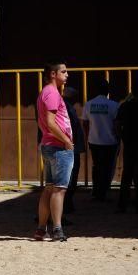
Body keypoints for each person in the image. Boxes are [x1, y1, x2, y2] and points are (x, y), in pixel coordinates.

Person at [36, 61, 73, 242]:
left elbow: (44, 122)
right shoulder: (52, 93)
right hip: (58, 147)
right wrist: (66, 140)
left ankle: (42, 229)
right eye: (63, 72)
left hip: (49, 144)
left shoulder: (45, 92)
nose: (67, 75)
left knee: (49, 189)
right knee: (59, 190)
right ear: (53, 74)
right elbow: (51, 122)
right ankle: (57, 229)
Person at [115, 81, 138, 213]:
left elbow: (117, 123)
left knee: (127, 173)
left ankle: (122, 204)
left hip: (129, 141)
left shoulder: (125, 105)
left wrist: (121, 136)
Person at [82, 79, 120, 202]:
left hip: (94, 141)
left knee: (97, 166)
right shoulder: (114, 105)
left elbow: (85, 124)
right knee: (108, 167)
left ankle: (97, 191)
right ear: (108, 90)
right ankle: (103, 191)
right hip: (110, 141)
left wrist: (88, 136)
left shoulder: (88, 104)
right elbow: (116, 125)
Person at [62, 86, 86, 215]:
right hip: (70, 147)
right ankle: (66, 205)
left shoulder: (67, 106)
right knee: (70, 178)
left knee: (70, 177)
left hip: (71, 146)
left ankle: (68, 204)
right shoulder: (66, 107)